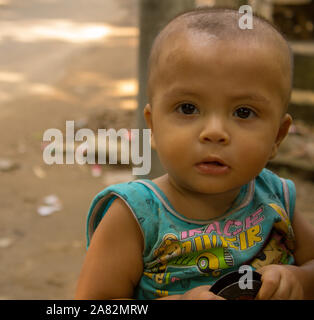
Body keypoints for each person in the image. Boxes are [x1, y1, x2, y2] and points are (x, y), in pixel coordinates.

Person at [75, 7, 314, 300]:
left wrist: (299, 278)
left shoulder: (274, 196)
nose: (214, 132)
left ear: (278, 135)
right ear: (153, 127)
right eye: (188, 108)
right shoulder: (135, 217)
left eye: (243, 112)